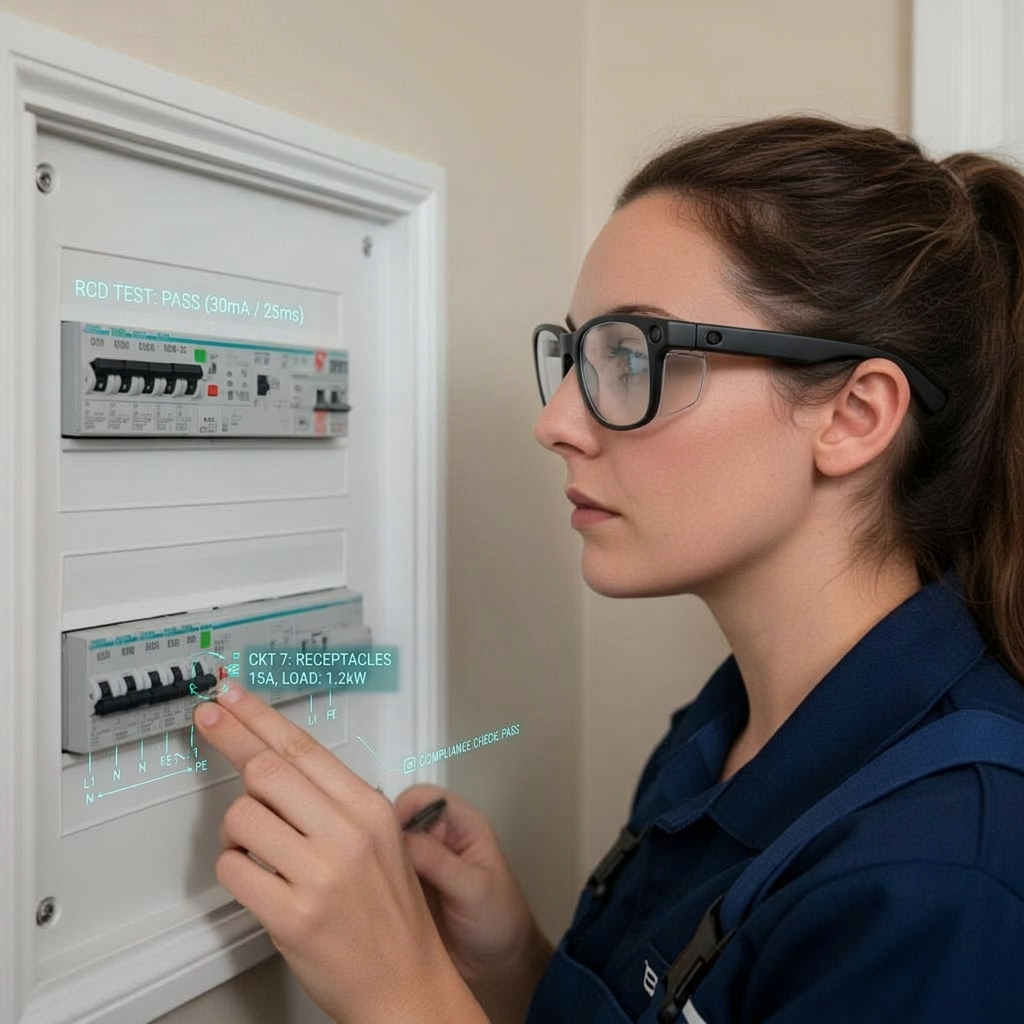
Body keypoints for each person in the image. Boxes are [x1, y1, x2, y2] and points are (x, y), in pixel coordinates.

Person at [193, 115, 1024, 1023]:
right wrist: (516, 966)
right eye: (576, 355)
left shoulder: (947, 877)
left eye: (630, 357)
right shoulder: (724, 732)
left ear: (855, 416)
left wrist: (399, 990)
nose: (556, 419)